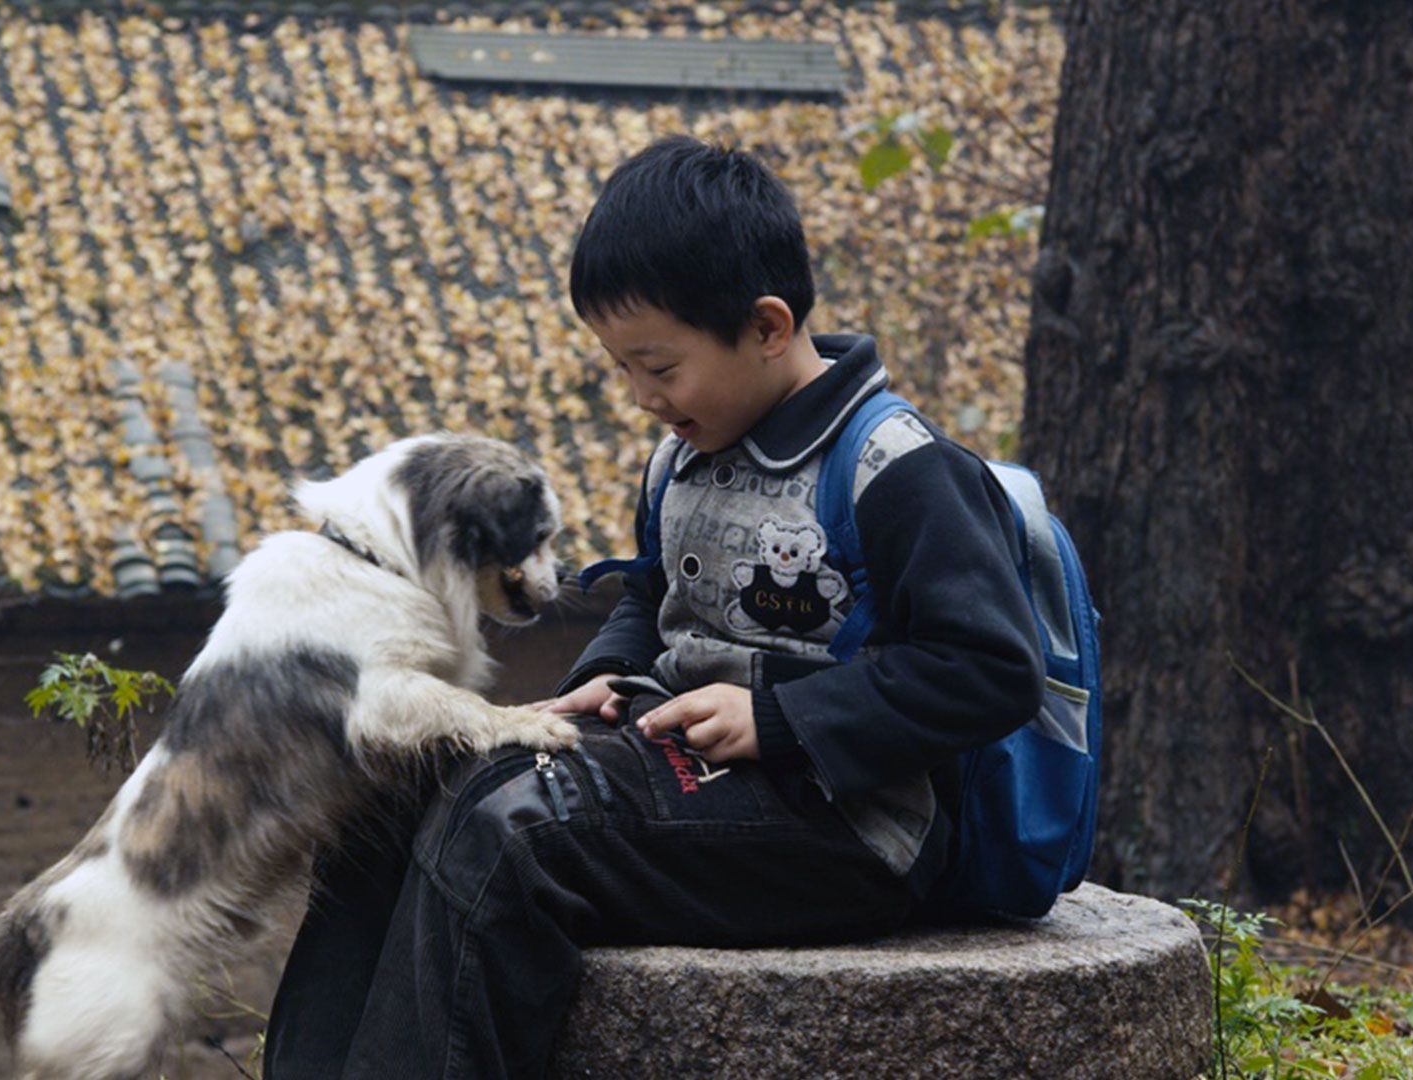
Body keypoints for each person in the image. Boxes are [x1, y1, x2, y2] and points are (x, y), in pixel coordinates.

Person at [260, 134, 1044, 1079]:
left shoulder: (900, 471)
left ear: (765, 326)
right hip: (685, 768)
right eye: (623, 369)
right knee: (399, 792)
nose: (640, 397)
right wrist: (607, 677)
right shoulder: (684, 455)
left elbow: (991, 669)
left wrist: (778, 716)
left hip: (849, 822)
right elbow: (652, 595)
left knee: (516, 829)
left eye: (660, 368)